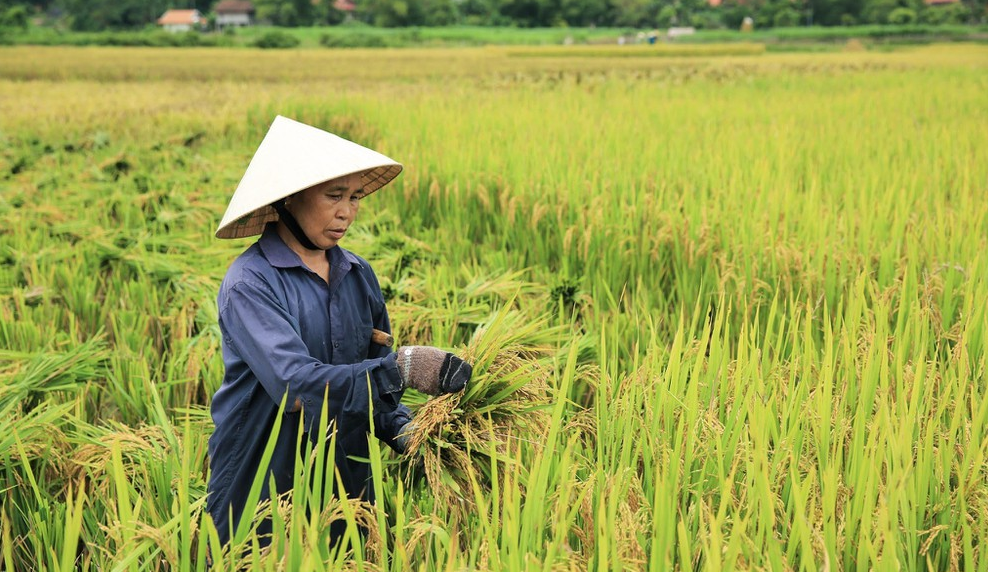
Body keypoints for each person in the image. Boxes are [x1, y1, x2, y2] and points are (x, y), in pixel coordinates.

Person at [207, 116, 472, 548]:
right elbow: (295, 386)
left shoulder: (357, 273)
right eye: (334, 196)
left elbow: (371, 386)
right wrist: (402, 369)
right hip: (264, 487)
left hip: (346, 486)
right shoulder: (250, 284)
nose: (347, 211)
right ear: (290, 198)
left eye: (354, 197)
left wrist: (411, 433)